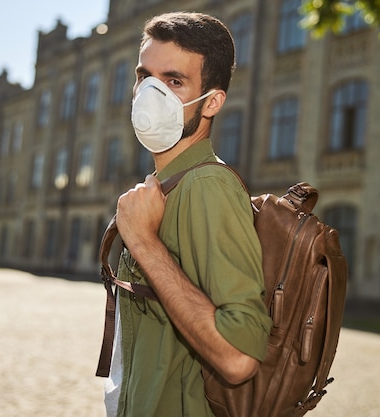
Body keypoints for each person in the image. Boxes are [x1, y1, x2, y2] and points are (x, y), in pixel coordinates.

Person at [104, 12, 272, 417]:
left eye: (174, 81)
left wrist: (144, 242)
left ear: (212, 101)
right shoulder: (169, 184)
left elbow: (238, 358)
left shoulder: (206, 186)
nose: (150, 94)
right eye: (145, 77)